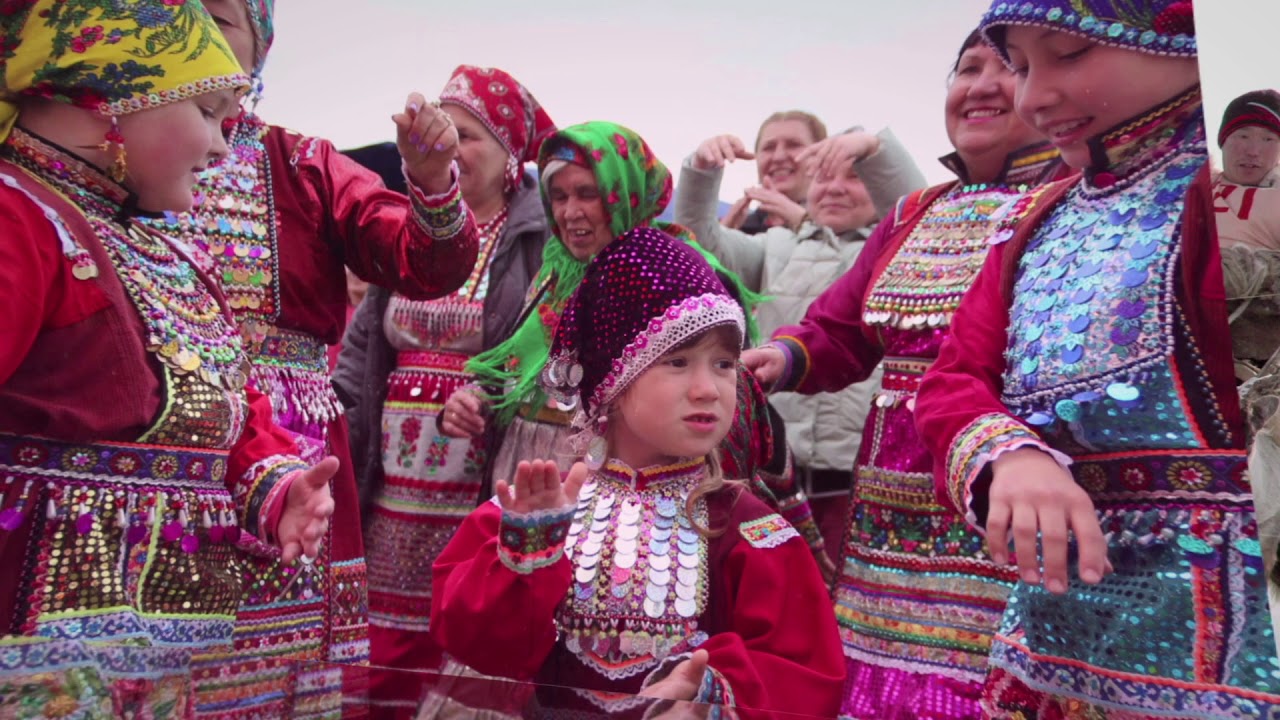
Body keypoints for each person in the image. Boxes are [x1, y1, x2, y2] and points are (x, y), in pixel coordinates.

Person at [913, 1, 1280, 715]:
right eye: (1020, 65)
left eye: (1069, 55)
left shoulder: (1200, 203)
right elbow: (955, 378)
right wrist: (1008, 455)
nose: (1033, 94)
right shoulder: (1034, 224)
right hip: (1056, 638)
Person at [147, 1, 482, 715]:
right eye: (183, 11)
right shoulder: (109, 157)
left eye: (222, 17)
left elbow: (425, 263)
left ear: (261, 46)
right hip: (154, 428)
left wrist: (429, 185)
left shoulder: (300, 164)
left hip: (295, 449)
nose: (200, 32)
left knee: (275, 664)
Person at [0, 1, 334, 715]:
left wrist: (275, 487)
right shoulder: (23, 221)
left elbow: (229, 405)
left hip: (154, 660)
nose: (223, 146)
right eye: (210, 111)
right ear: (109, 103)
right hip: (31, 653)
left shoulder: (164, 249)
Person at [741, 28, 1069, 720]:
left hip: (1003, 510)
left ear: (1045, 85)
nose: (979, 85)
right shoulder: (914, 215)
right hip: (888, 526)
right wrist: (786, 356)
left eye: (1005, 68)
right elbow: (840, 327)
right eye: (965, 68)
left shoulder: (1074, 202)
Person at [430, 226, 845, 719]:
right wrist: (529, 551)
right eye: (677, 361)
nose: (708, 388)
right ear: (612, 381)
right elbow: (481, 647)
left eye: (724, 364)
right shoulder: (541, 509)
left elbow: (802, 671)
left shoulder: (747, 531)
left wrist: (708, 696)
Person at [447, 121, 825, 559]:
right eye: (560, 196)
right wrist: (478, 398)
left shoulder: (680, 276)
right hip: (530, 476)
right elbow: (520, 369)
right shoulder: (554, 276)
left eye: (587, 193)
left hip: (637, 492)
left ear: (623, 193)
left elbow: (720, 392)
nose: (570, 212)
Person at [333, 65, 555, 714]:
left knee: (456, 622)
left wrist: (494, 400)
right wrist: (338, 430)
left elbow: (548, 349)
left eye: (468, 134)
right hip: (392, 470)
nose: (450, 146)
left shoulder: (538, 239)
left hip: (475, 462)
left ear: (512, 153)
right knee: (378, 638)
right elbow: (363, 351)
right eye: (442, 131)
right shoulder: (412, 224)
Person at [676, 122, 927, 555]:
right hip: (776, 465)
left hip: (850, 471)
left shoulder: (895, 251)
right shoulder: (776, 246)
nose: (835, 188)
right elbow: (699, 242)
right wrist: (701, 170)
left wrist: (876, 149)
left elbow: (923, 220)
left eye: (854, 176)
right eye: (825, 177)